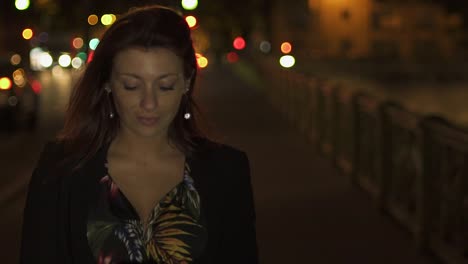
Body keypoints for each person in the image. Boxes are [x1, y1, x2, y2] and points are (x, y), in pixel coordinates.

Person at [20, 5, 258, 264]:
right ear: (107, 82)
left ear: (187, 82)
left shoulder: (227, 171)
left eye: (165, 86)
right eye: (131, 86)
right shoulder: (60, 170)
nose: (149, 103)